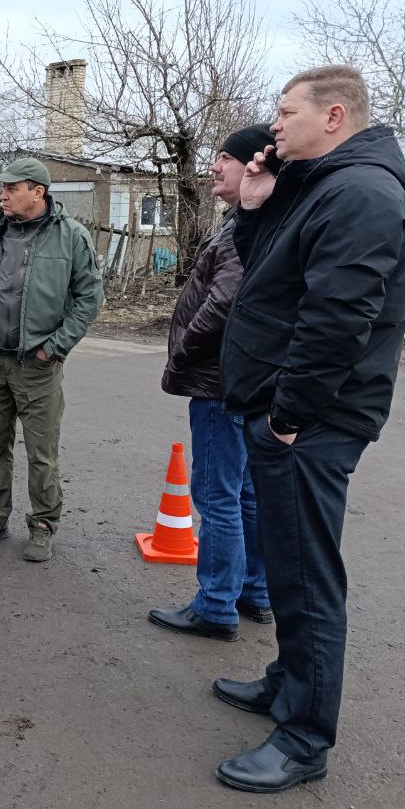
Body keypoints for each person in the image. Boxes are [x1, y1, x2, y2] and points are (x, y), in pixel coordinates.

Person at [214, 65, 405, 793]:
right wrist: (258, 205)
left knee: (306, 579)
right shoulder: (319, 185)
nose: (275, 124)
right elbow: (271, 276)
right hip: (294, 412)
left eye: (285, 111)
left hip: (313, 420)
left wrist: (288, 418)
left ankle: (304, 739)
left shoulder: (361, 193)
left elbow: (338, 320)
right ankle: (286, 683)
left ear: (334, 117)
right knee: (291, 563)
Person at [0, 157, 103, 562]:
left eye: (12, 188)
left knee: (41, 451)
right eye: (3, 187)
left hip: (38, 364)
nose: (3, 194)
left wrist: (56, 346)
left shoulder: (71, 237)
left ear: (38, 192)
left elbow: (89, 299)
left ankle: (44, 523)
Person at [148, 125, 274, 642]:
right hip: (242, 380)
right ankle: (254, 591)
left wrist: (183, 349)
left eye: (223, 157)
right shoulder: (254, 222)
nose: (213, 167)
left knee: (217, 494)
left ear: (251, 166)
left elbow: (224, 302)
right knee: (245, 492)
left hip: (221, 382)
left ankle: (216, 605)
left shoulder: (246, 228)